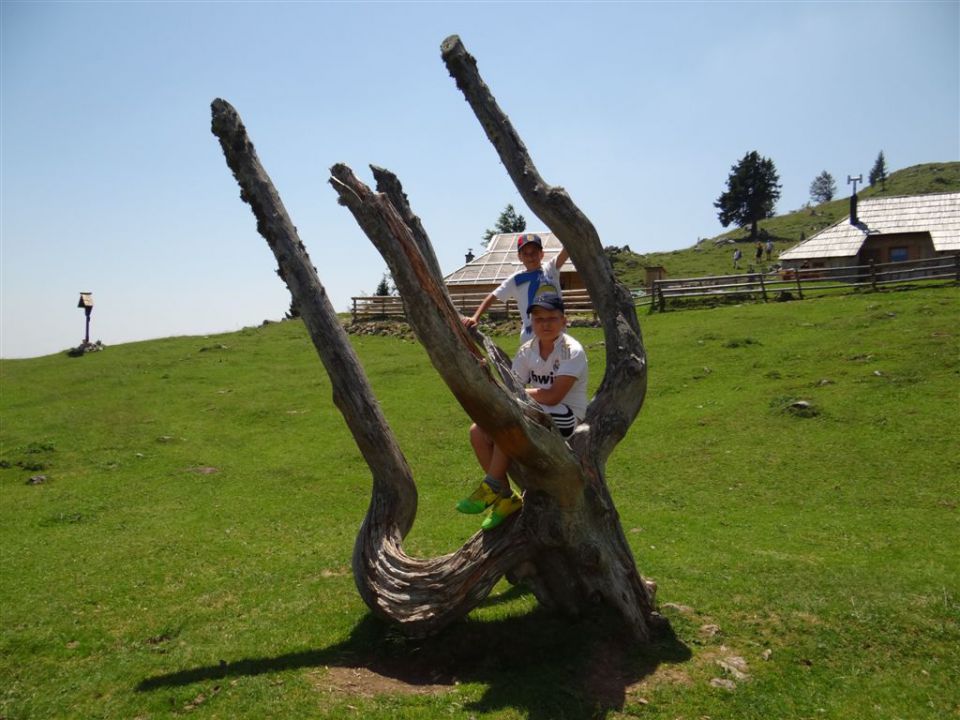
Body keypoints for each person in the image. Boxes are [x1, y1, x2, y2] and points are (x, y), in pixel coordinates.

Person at [456, 294, 588, 530]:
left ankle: (492, 485)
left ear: (564, 321)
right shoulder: (528, 350)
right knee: (477, 431)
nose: (545, 324)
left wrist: (518, 394)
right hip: (535, 411)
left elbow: (553, 396)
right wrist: (515, 395)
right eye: (539, 319)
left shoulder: (572, 351)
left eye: (551, 318)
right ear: (531, 322)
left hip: (567, 416)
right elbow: (512, 387)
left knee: (512, 420)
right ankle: (507, 498)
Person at [462, 233, 569, 344]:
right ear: (519, 257)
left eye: (534, 252)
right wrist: (475, 317)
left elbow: (567, 250)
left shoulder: (551, 268)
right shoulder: (515, 280)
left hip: (556, 328)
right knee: (531, 360)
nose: (530, 256)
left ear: (541, 254)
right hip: (531, 333)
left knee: (561, 359)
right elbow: (493, 296)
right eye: (525, 253)